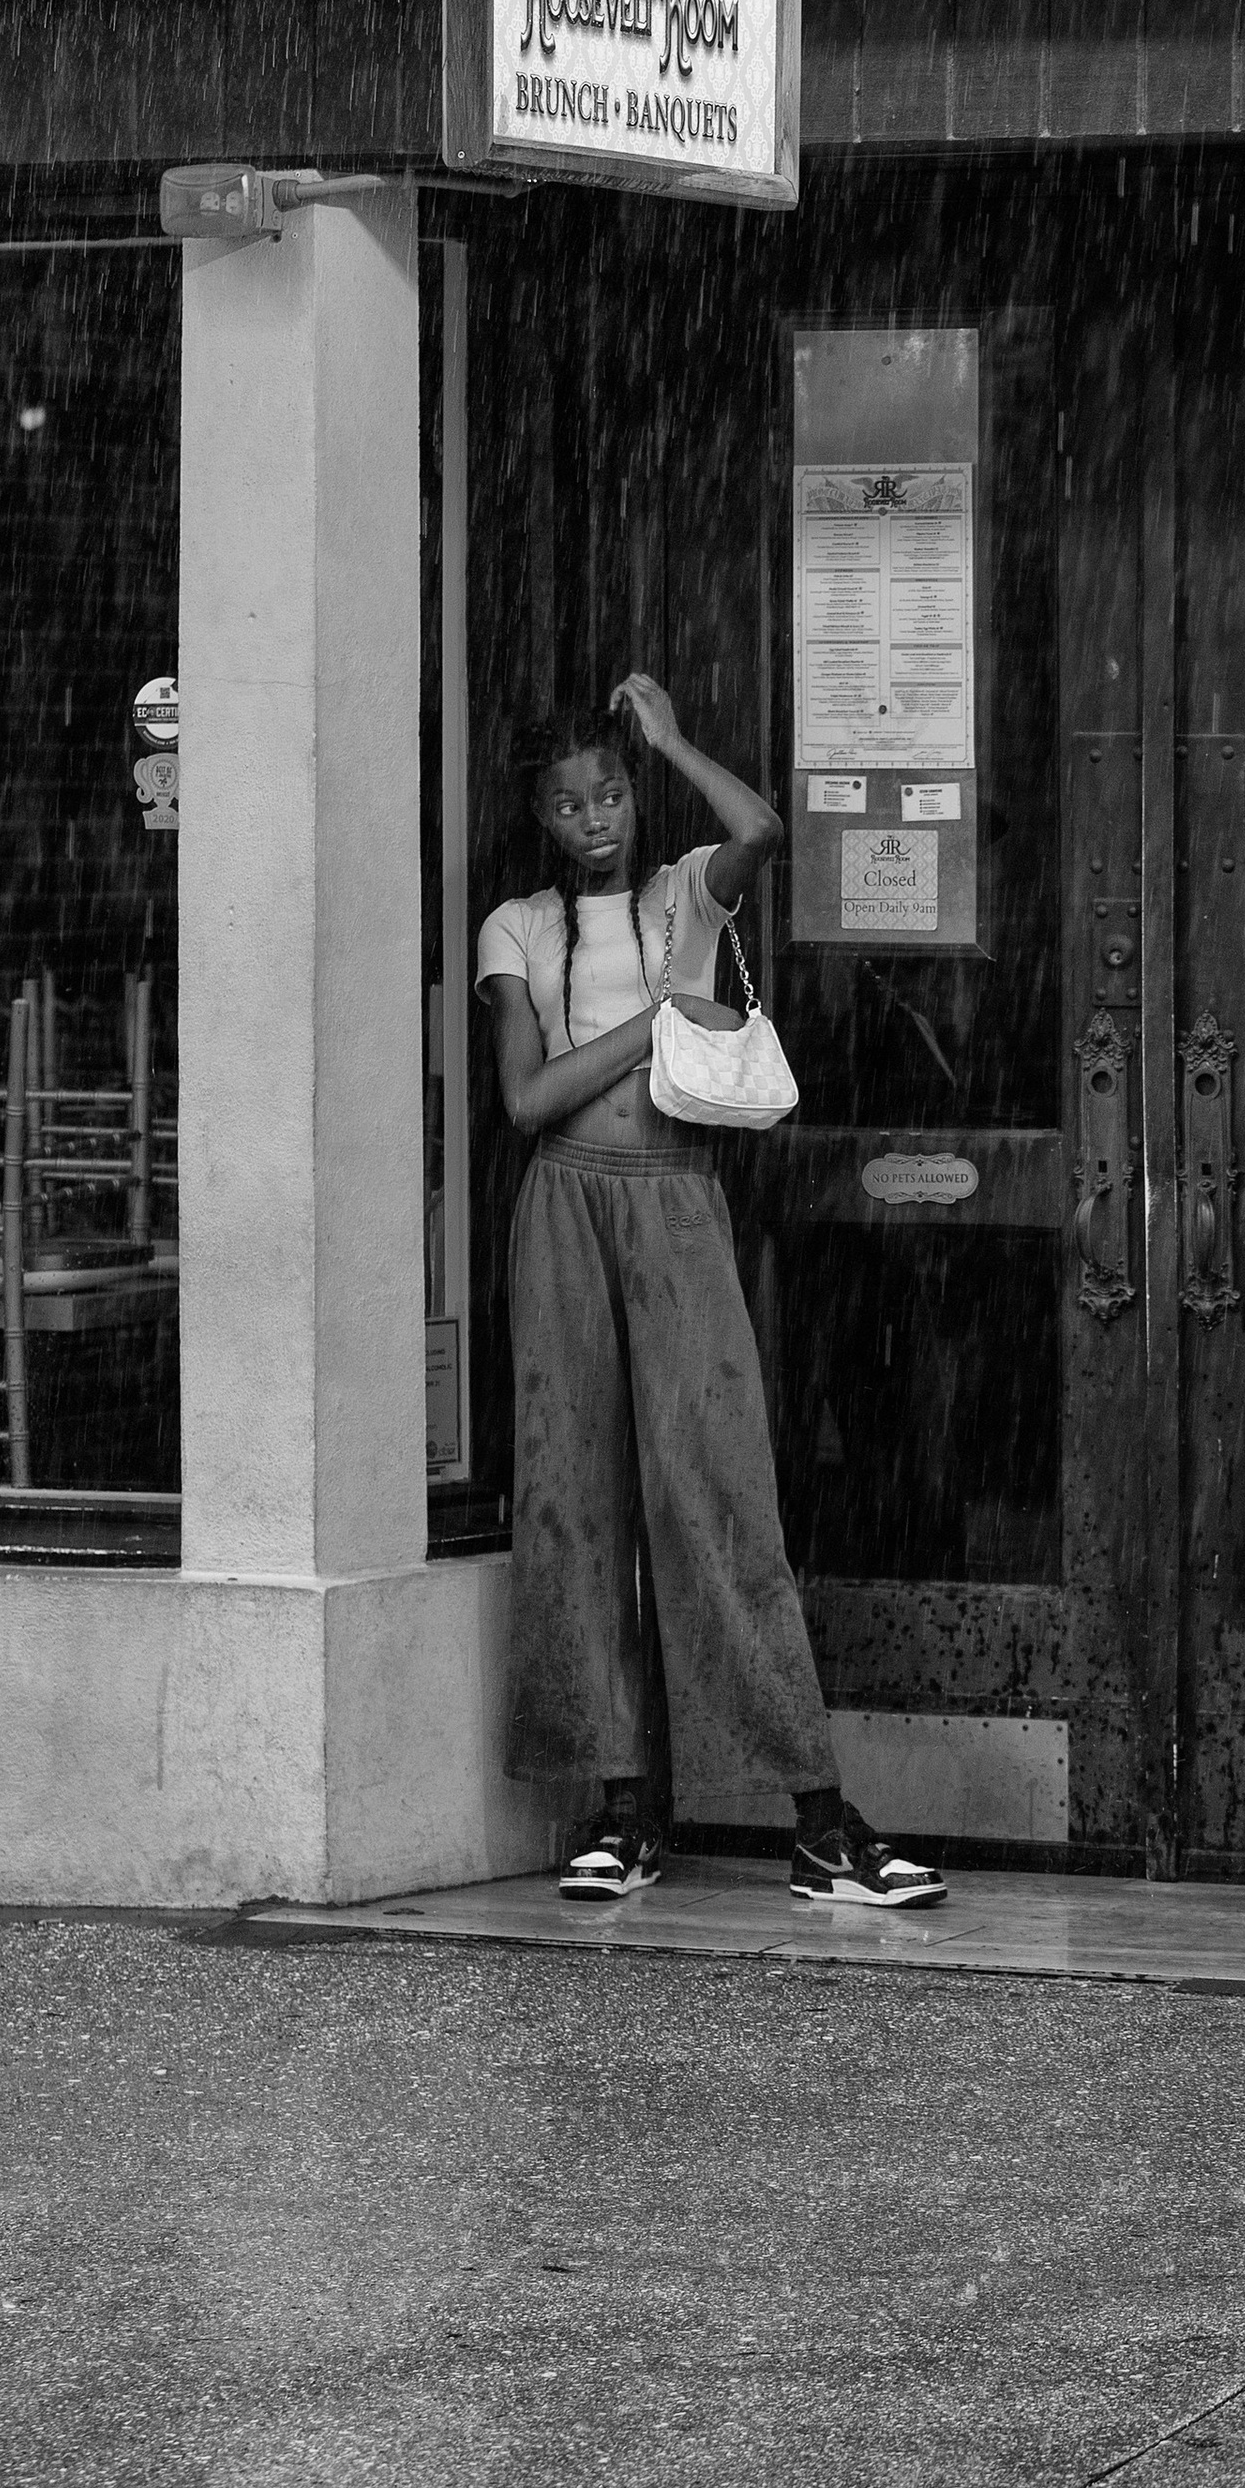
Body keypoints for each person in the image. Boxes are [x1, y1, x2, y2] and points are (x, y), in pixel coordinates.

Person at [476, 671, 946, 1915]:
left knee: (720, 1491)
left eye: (613, 791)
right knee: (575, 1498)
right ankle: (624, 1808)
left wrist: (678, 739)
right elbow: (526, 1103)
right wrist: (657, 1027)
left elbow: (762, 833)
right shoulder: (515, 928)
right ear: (541, 814)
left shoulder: (686, 890)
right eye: (570, 803)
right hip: (564, 1209)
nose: (596, 819)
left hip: (676, 1201)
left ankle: (817, 1816)